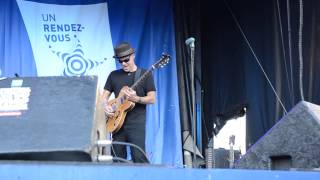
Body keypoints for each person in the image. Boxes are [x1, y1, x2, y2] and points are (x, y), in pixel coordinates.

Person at [103, 42, 156, 163]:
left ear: (133, 55)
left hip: (136, 124)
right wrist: (105, 106)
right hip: (117, 124)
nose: (123, 63)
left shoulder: (145, 74)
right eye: (120, 61)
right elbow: (104, 97)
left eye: (126, 60)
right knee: (117, 159)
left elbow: (152, 98)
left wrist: (137, 99)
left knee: (139, 158)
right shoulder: (113, 75)